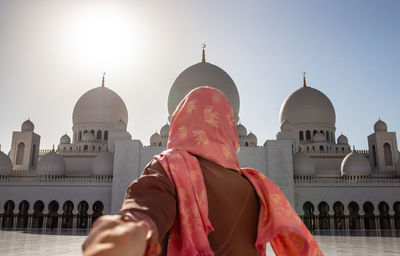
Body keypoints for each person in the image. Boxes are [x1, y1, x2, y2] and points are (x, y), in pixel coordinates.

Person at [82, 86, 323, 256]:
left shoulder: (170, 167)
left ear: (180, 121)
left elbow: (147, 207)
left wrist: (131, 232)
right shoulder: (257, 187)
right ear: (229, 127)